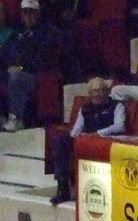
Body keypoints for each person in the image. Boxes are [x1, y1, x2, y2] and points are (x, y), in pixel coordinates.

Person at [50, 77, 125, 205]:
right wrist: (77, 137)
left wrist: (98, 134)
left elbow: (120, 126)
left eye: (100, 90)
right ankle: (63, 186)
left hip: (106, 141)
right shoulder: (85, 109)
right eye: (93, 91)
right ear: (89, 94)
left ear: (106, 92)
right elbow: (76, 130)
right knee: (61, 141)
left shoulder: (116, 106)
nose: (96, 94)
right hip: (86, 142)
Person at [0, 0, 57, 131]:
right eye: (25, 13)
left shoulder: (48, 33)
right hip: (12, 71)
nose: (28, 16)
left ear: (38, 14)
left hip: (35, 75)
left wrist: (21, 67)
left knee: (17, 77)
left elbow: (43, 60)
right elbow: (2, 55)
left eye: (32, 13)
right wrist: (7, 66)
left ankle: (16, 119)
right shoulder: (17, 34)